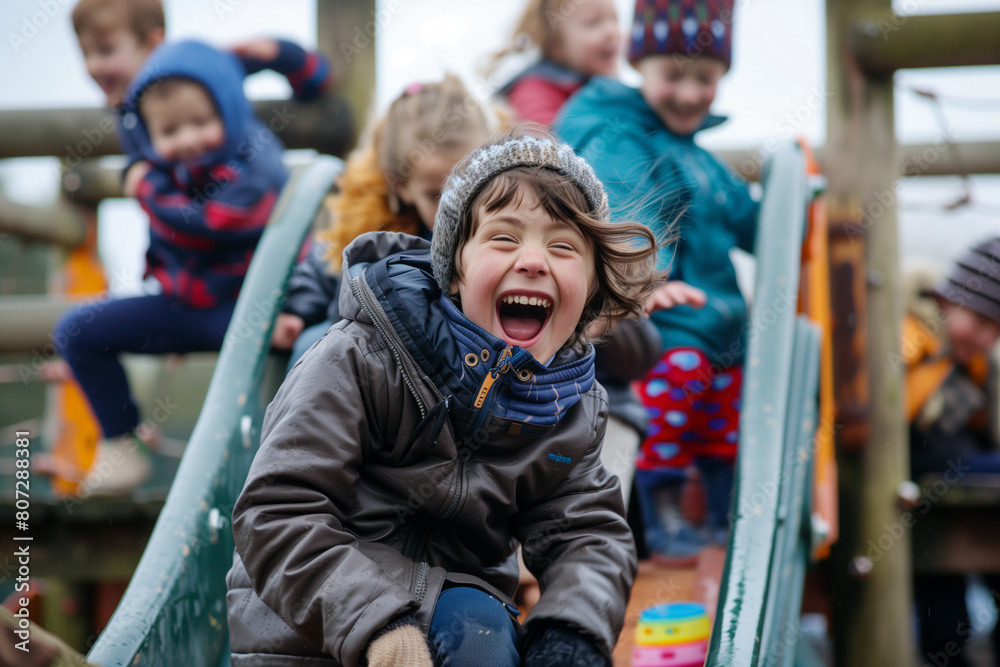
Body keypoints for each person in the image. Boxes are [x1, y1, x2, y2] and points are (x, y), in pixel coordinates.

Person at [227, 131, 660, 666]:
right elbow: (277, 510)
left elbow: (588, 533)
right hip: (307, 630)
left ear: (591, 289)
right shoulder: (362, 357)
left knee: (482, 630)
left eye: (563, 246)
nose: (533, 261)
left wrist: (572, 632)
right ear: (454, 271)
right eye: (504, 239)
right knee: (475, 626)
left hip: (463, 625)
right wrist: (378, 622)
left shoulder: (569, 407)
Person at [555, 0, 758, 564]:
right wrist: (642, 281)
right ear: (639, 67)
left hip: (720, 326)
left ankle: (724, 515)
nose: (689, 93)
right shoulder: (623, 137)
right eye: (673, 76)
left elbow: (749, 221)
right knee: (671, 408)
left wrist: (804, 201)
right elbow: (629, 209)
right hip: (666, 324)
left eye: (705, 79)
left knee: (726, 417)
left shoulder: (702, 159)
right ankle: (663, 518)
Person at [53, 40, 290, 495]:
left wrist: (143, 189)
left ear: (229, 112)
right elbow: (132, 126)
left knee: (303, 353)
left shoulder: (254, 164)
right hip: (183, 309)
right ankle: (120, 444)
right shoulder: (163, 174)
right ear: (149, 137)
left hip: (249, 313)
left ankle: (286, 471)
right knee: (78, 330)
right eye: (169, 131)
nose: (187, 140)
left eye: (202, 122)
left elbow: (214, 222)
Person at [271, 75, 496, 366]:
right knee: (311, 343)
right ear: (400, 186)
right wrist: (298, 310)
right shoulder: (370, 231)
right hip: (378, 357)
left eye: (470, 187)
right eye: (436, 195)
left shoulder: (504, 226)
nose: (456, 207)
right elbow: (322, 268)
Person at [70, 0, 330, 184]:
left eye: (105, 50)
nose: (91, 66)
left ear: (153, 45)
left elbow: (309, 76)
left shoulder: (197, 70)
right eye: (85, 53)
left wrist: (280, 52)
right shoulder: (128, 113)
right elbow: (144, 157)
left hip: (249, 198)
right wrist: (134, 173)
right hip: (190, 235)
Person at [905, 238, 1000, 667]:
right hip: (922, 477)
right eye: (980, 320)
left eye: (996, 328)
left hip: (956, 490)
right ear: (947, 300)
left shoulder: (972, 362)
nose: (987, 337)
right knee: (942, 614)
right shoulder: (913, 340)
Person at [489, 0, 621, 126]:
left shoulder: (608, 86)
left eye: (615, 19)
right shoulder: (534, 90)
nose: (612, 31)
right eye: (593, 23)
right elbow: (544, 143)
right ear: (555, 44)